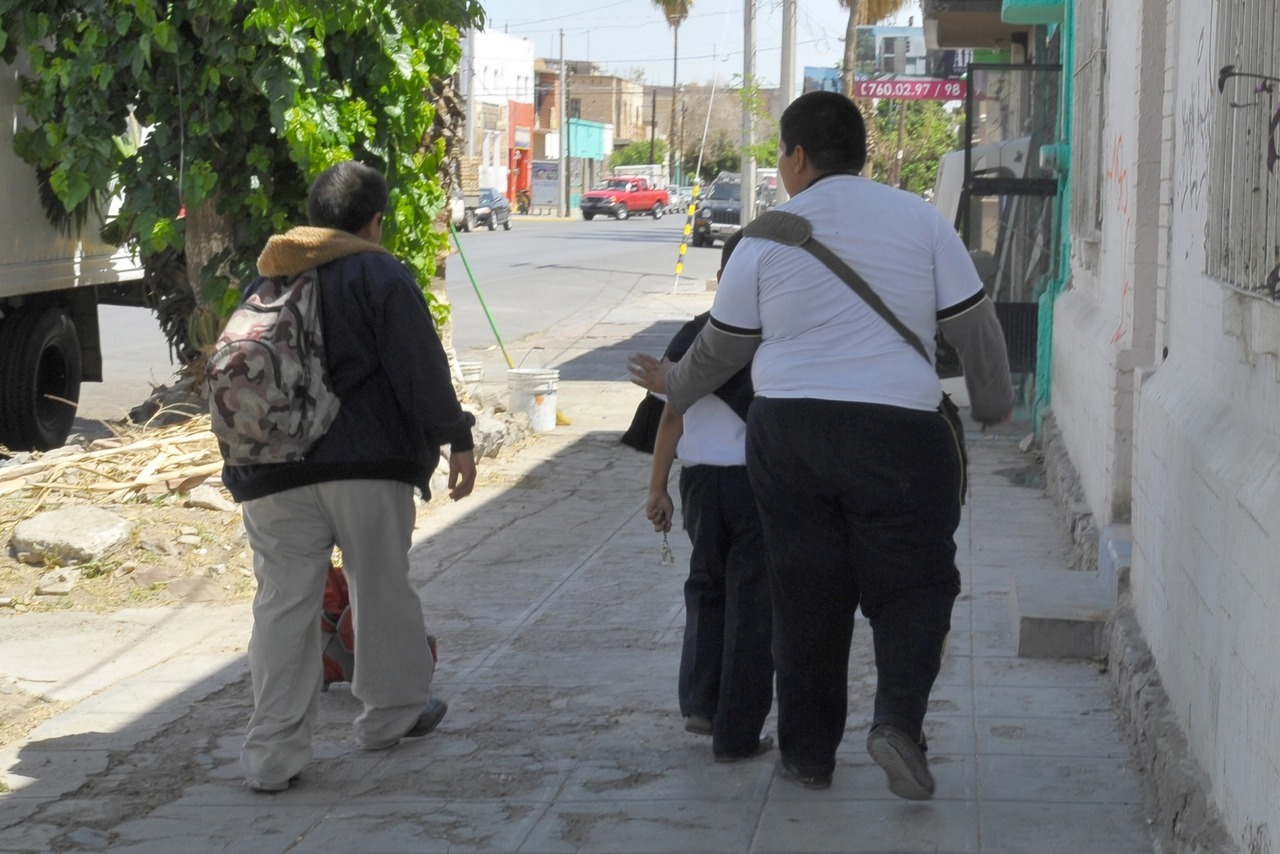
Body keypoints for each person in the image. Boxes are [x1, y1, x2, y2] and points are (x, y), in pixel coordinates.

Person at [627, 91, 1014, 799]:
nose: (780, 167)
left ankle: (808, 756)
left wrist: (674, 385)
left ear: (799, 156)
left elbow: (719, 350)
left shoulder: (767, 235)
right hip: (901, 430)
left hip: (790, 435)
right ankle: (897, 720)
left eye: (780, 154)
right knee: (916, 586)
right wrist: (992, 404)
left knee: (805, 593)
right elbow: (975, 327)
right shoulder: (920, 219)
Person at [218, 160, 478, 792]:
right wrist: (457, 437)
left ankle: (271, 758)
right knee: (381, 589)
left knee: (283, 607)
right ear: (375, 223)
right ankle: (390, 717)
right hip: (368, 466)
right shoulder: (377, 270)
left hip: (271, 472)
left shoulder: (269, 275)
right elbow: (419, 366)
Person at [644, 231, 774, 763]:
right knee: (751, 602)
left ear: (721, 279)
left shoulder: (694, 333)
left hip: (699, 484)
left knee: (706, 588)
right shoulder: (771, 341)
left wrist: (657, 488)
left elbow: (670, 414)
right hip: (753, 486)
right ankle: (736, 730)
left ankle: (701, 702)